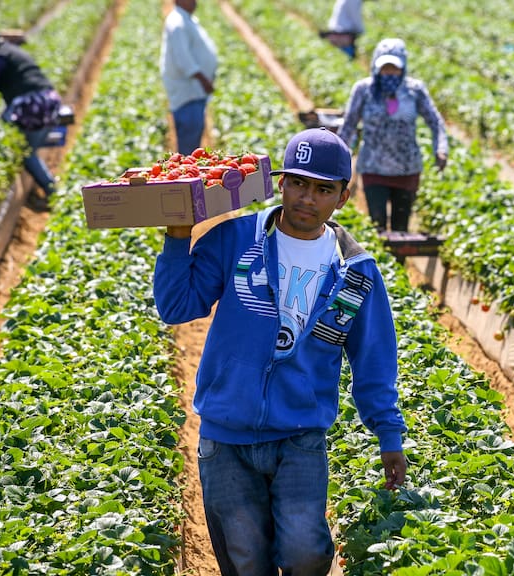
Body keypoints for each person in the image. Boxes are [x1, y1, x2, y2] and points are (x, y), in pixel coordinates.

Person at [153, 127, 407, 575]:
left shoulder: (355, 272)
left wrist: (389, 434)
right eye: (299, 183)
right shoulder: (237, 240)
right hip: (226, 433)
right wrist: (177, 237)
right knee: (245, 560)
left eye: (323, 189)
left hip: (300, 434)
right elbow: (177, 307)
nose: (308, 198)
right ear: (281, 183)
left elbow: (374, 360)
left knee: (305, 554)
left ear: (342, 198)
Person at [338, 37, 448, 233]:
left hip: (407, 169)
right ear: (375, 67)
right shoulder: (364, 90)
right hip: (374, 168)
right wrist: (336, 158)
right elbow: (349, 125)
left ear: (403, 68)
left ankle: (399, 262)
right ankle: (380, 262)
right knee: (377, 225)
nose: (389, 73)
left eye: (394, 69)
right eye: (385, 68)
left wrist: (440, 149)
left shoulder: (414, 90)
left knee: (400, 229)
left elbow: (435, 121)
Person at [0, 34, 62, 209]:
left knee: (26, 151)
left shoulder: (0, 56)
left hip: (32, 104)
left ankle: (53, 193)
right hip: (49, 100)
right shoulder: (9, 49)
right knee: (27, 149)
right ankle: (53, 191)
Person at [159, 0, 217, 156]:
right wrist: (203, 79)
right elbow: (183, 59)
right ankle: (186, 178)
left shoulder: (185, 19)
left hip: (193, 92)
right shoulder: (177, 23)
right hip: (187, 93)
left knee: (193, 138)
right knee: (189, 147)